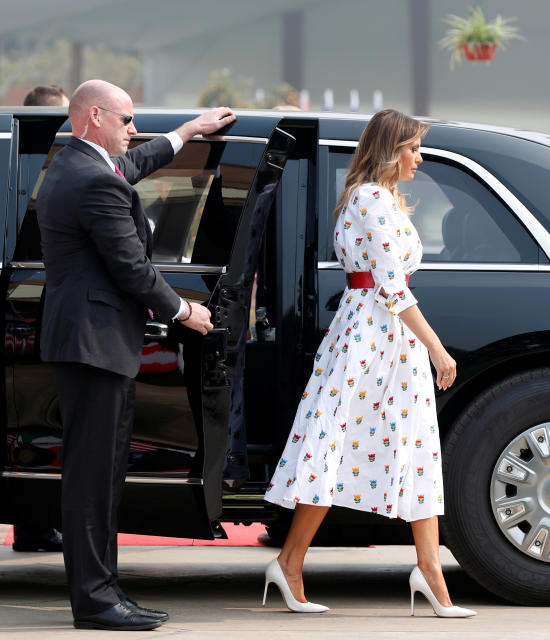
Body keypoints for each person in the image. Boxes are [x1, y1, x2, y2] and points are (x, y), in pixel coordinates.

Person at [36, 79, 234, 631]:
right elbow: (130, 267)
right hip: (94, 346)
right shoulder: (93, 179)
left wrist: (189, 132)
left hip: (92, 344)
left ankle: (103, 593)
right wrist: (183, 312)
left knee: (98, 478)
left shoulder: (80, 165)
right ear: (94, 116)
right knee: (93, 481)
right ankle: (97, 602)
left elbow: (136, 161)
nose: (133, 130)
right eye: (126, 120)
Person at [262, 109, 475, 618]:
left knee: (417, 446)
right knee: (332, 443)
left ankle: (429, 571)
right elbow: (390, 285)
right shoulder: (368, 199)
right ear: (390, 149)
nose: (419, 159)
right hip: (370, 335)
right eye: (413, 149)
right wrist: (438, 348)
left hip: (390, 336)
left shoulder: (386, 200)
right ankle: (289, 562)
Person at [11, 84, 70, 554]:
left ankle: (33, 525)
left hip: (36, 308)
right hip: (32, 309)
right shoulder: (44, 166)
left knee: (35, 419)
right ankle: (32, 523)